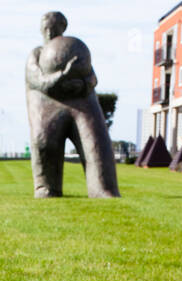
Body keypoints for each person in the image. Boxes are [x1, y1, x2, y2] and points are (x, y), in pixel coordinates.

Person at [25, 12, 120, 199]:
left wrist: (83, 84)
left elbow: (92, 78)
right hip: (47, 103)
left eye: (54, 28)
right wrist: (63, 76)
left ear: (63, 28)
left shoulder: (75, 52)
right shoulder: (37, 54)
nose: (50, 32)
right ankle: (46, 187)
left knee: (96, 142)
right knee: (44, 141)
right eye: (46, 28)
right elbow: (38, 80)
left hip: (80, 101)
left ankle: (102, 188)